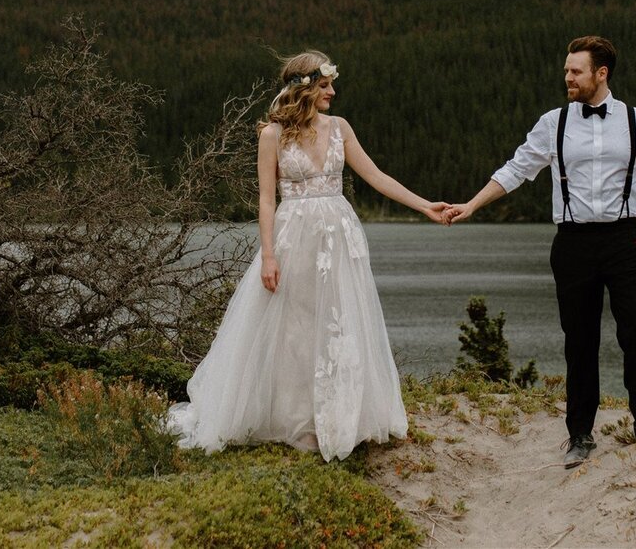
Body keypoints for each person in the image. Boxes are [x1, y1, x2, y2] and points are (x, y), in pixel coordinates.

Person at [164, 50, 449, 461]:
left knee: (340, 322)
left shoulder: (340, 128)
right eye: (325, 85)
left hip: (338, 236)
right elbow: (265, 200)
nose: (332, 91)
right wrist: (267, 256)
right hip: (292, 237)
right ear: (304, 88)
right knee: (296, 330)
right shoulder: (272, 136)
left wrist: (425, 206)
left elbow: (376, 176)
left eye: (331, 84)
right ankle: (301, 420)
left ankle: (341, 415)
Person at [444, 35, 636, 467]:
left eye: (575, 71)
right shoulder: (554, 123)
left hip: (626, 240)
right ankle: (581, 434)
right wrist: (472, 205)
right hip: (573, 243)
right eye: (567, 70)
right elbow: (516, 169)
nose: (567, 77)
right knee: (580, 340)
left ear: (600, 74)